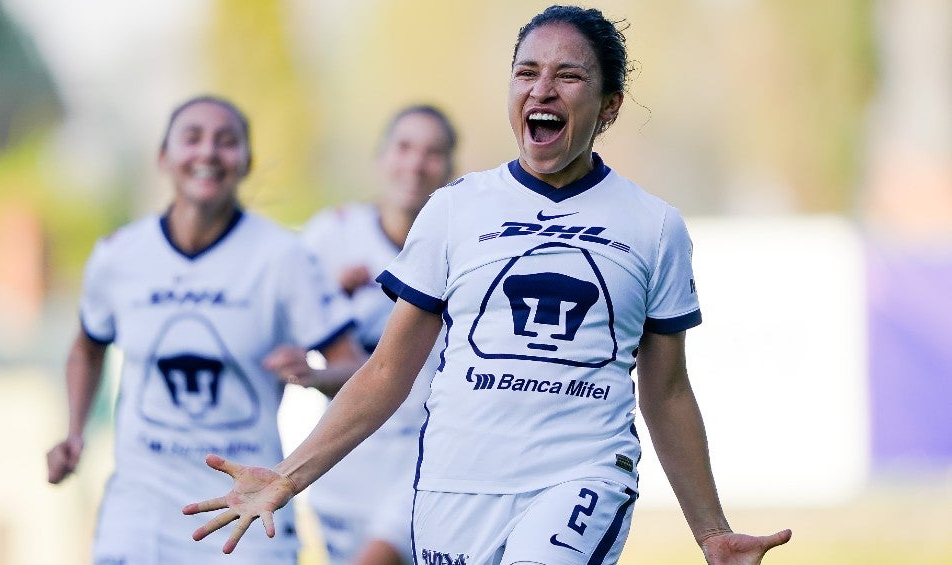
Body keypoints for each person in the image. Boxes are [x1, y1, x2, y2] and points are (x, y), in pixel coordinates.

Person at [183, 6, 793, 564]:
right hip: (455, 487)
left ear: (610, 105)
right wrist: (288, 476)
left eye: (569, 75)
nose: (542, 89)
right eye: (526, 71)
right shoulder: (454, 211)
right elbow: (386, 373)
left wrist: (712, 531)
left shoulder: (653, 227)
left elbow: (666, 391)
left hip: (580, 476)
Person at [45, 95, 366, 564]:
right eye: (192, 138)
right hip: (139, 512)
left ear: (246, 162)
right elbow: (86, 347)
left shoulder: (282, 257)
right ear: (163, 156)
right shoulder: (119, 255)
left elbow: (357, 369)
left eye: (226, 141)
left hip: (245, 510)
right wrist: (74, 431)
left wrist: (315, 376)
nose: (208, 153)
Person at [300, 105, 457, 565]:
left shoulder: (466, 249)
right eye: (404, 147)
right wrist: (330, 303)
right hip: (342, 469)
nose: (415, 164)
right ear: (380, 158)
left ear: (451, 169)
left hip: (423, 464)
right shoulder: (330, 236)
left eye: (433, 152)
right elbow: (286, 338)